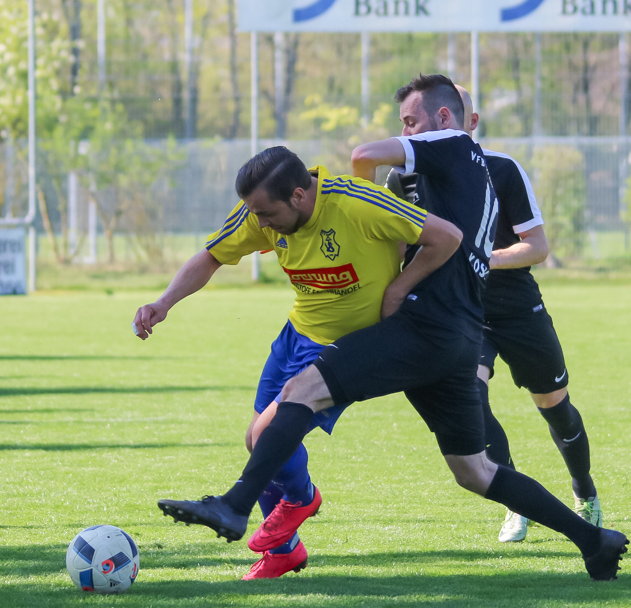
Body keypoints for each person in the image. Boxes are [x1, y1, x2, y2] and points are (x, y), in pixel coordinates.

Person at [157, 74, 629, 581]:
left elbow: (367, 157)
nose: (403, 132)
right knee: (474, 471)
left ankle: (234, 505)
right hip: (460, 335)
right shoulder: (467, 173)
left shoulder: (450, 145)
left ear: (444, 118)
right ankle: (594, 541)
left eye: (409, 122)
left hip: (423, 325)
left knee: (301, 391)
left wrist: (396, 282)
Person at [134, 146, 461, 579]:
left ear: (298, 196)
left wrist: (399, 289)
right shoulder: (261, 212)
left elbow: (448, 237)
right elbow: (212, 255)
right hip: (294, 337)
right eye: (257, 215)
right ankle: (283, 552)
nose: (262, 224)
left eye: (268, 215)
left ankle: (302, 499)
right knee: (256, 440)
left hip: (341, 351)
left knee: (266, 434)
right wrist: (163, 303)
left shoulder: (357, 204)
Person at [395, 86, 604, 544]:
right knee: (470, 397)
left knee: (555, 406)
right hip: (460, 313)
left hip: (516, 308)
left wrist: (476, 257)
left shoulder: (502, 169)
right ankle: (517, 503)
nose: (406, 134)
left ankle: (584, 492)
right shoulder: (404, 178)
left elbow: (537, 247)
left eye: (412, 122)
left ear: (466, 122)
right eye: (403, 124)